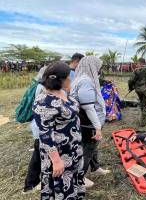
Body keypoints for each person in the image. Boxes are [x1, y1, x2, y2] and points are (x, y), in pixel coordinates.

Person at [33, 62, 85, 199]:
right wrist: (56, 161)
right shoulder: (43, 102)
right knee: (62, 185)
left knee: (73, 180)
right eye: (69, 77)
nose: (71, 79)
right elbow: (45, 135)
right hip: (59, 153)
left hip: (73, 148)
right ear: (60, 79)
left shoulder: (63, 91)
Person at [71, 56, 110, 189]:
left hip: (85, 121)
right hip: (88, 123)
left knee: (92, 146)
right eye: (98, 66)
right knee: (87, 148)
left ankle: (95, 167)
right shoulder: (86, 81)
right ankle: (79, 178)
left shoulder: (80, 78)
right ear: (92, 66)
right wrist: (98, 127)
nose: (99, 69)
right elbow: (88, 107)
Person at [22, 66, 47, 194]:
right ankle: (29, 185)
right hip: (40, 127)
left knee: (38, 155)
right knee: (37, 156)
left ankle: (32, 183)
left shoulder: (38, 85)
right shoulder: (43, 88)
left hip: (38, 126)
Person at [128, 57, 146, 127]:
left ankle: (143, 117)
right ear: (144, 63)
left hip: (139, 90)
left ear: (139, 63)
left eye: (137, 63)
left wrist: (130, 88)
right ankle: (143, 122)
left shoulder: (136, 71)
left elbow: (130, 81)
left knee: (142, 103)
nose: (137, 64)